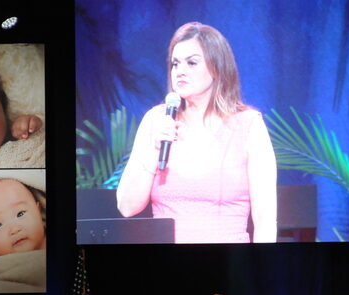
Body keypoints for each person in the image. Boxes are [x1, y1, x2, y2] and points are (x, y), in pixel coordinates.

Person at [116, 22, 277, 243]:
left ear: (217, 67)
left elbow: (265, 218)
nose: (180, 71)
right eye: (175, 64)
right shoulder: (157, 120)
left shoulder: (248, 125)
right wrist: (154, 151)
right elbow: (127, 207)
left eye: (192, 62)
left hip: (229, 262)